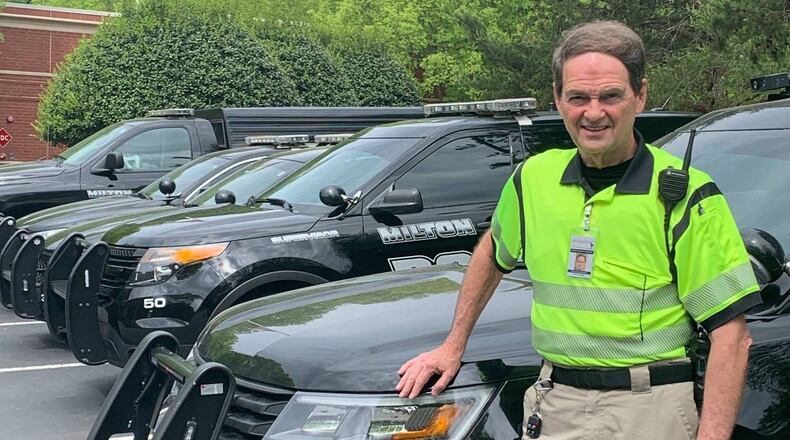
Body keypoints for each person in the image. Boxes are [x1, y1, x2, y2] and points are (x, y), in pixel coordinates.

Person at [396, 20, 760, 440]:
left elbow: (732, 336)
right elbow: (493, 250)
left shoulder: (685, 193)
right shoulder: (533, 178)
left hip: (648, 410)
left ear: (640, 95)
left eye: (610, 96)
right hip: (555, 403)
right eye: (578, 97)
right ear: (557, 98)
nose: (593, 112)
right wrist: (452, 346)